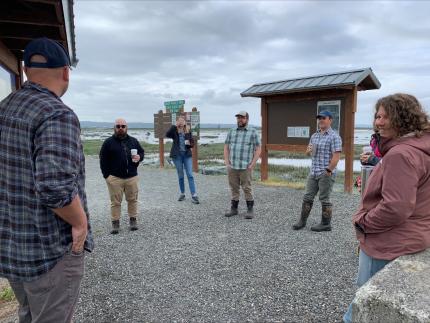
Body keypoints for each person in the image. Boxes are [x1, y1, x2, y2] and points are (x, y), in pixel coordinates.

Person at [0, 37, 93, 322]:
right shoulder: (56, 113)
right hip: (49, 249)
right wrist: (80, 223)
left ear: (26, 70)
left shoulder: (4, 109)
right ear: (66, 72)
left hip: (14, 248)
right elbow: (55, 188)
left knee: (28, 314)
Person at [343, 93, 430, 323]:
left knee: (365, 302)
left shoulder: (401, 154)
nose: (378, 122)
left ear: (402, 118)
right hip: (412, 238)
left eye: (385, 116)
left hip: (386, 242)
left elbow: (396, 208)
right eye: (377, 116)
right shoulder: (421, 148)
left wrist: (363, 223)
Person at [292, 110, 342, 232]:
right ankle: (302, 221)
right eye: (319, 118)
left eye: (323, 118)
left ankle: (326, 224)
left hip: (325, 172)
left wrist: (329, 170)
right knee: (307, 197)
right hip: (313, 172)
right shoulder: (314, 136)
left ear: (330, 120)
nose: (320, 120)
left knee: (324, 198)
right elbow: (309, 153)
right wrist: (308, 151)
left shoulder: (334, 136)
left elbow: (336, 157)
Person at [99, 119, 145, 234]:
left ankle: (133, 220)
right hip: (115, 178)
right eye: (118, 126)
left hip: (131, 177)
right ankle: (115, 223)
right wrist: (107, 176)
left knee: (133, 200)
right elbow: (103, 160)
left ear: (126, 127)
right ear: (114, 127)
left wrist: (139, 157)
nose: (120, 128)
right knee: (115, 202)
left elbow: (142, 152)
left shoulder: (133, 141)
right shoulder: (108, 142)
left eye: (123, 126)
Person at [224, 111, 261, 219]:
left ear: (247, 119)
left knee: (247, 188)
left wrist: (252, 164)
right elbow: (226, 146)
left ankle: (250, 210)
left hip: (246, 167)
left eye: (242, 118)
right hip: (232, 166)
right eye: (238, 118)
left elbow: (258, 148)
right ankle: (234, 209)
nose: (240, 120)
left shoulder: (253, 132)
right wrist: (227, 162)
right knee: (234, 188)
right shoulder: (231, 131)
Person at [165, 117, 199, 204]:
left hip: (187, 155)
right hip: (177, 156)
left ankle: (194, 195)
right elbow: (167, 134)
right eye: (179, 121)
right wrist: (174, 126)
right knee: (180, 175)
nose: (180, 122)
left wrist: (190, 143)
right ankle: (182, 193)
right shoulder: (174, 131)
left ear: (184, 123)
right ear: (177, 122)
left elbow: (192, 144)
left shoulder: (187, 131)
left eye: (182, 121)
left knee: (190, 175)